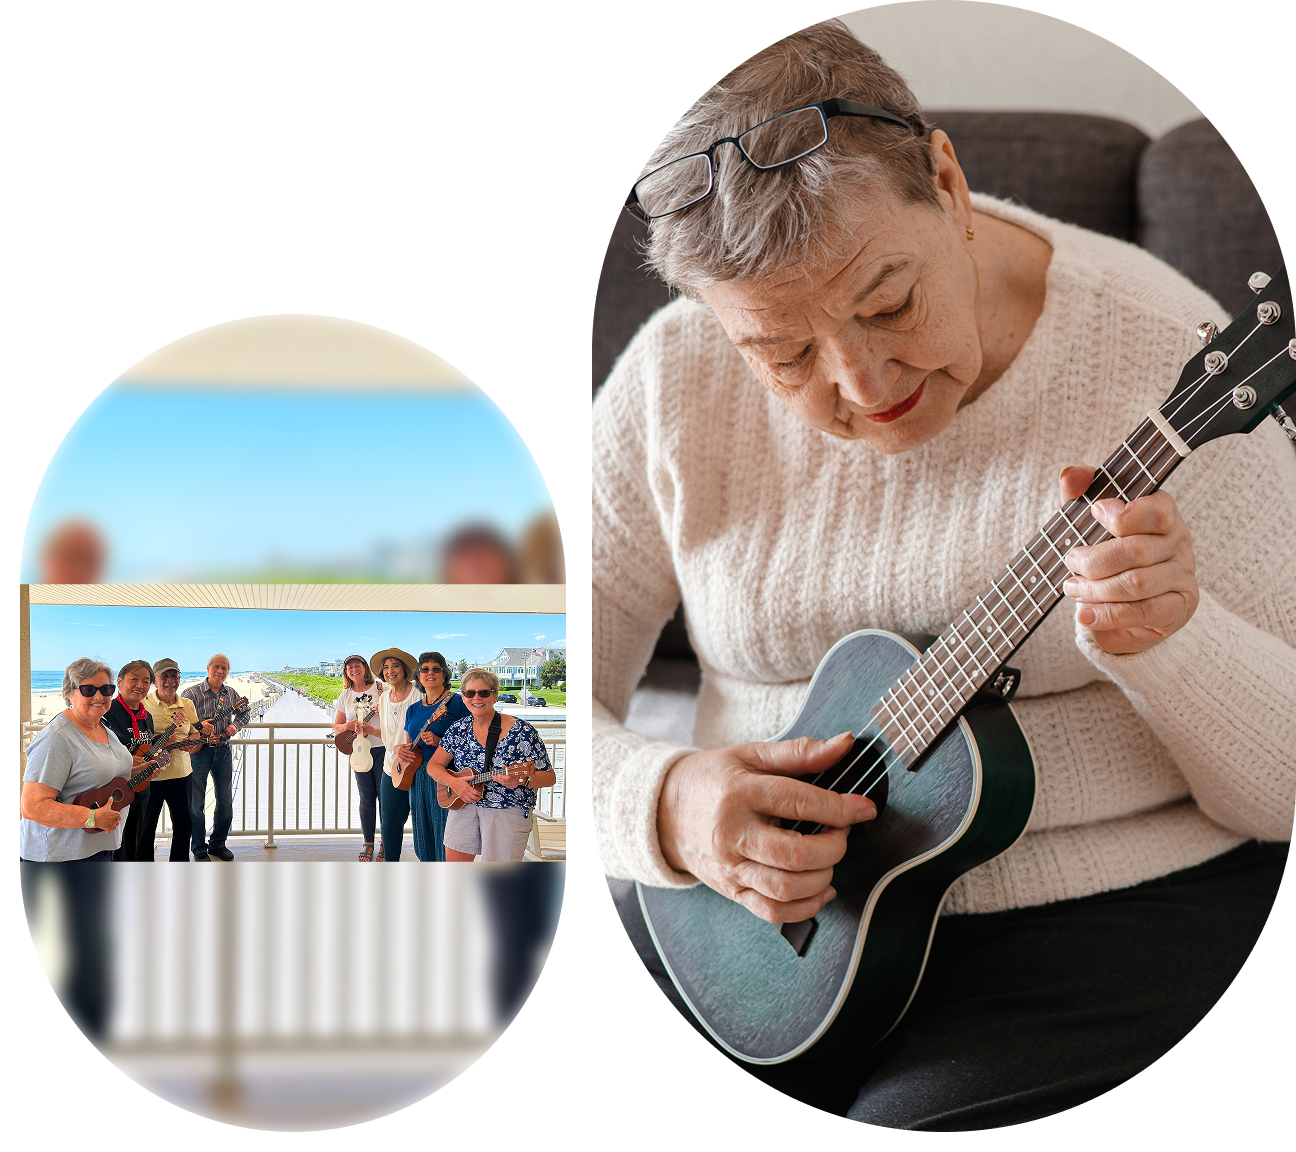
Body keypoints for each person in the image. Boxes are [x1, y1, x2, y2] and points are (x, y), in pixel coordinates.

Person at [593, 21, 1296, 1130]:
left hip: (1099, 931)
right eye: (783, 355)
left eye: (888, 303)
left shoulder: (1170, 359)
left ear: (950, 184)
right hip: (747, 938)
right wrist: (667, 805)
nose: (864, 383)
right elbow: (510, 723)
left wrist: (1177, 637)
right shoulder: (668, 387)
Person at [19, 658, 132, 1039]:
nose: (100, 696)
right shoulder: (58, 738)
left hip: (97, 851)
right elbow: (32, 805)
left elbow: (113, 773)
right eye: (89, 689)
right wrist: (89, 820)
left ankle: (95, 1023)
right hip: (59, 860)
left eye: (107, 689)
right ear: (69, 692)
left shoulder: (104, 729)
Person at [429, 669, 556, 862]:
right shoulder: (458, 729)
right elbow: (434, 765)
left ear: (495, 696)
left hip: (507, 808)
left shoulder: (523, 732)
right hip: (463, 803)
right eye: (470, 693)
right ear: (464, 698)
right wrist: (454, 783)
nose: (477, 698)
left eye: (484, 692)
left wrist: (521, 780)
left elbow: (549, 777)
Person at [395, 651, 470, 861]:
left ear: (445, 675)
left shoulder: (457, 703)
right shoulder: (413, 710)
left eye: (436, 669)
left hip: (446, 774)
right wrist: (399, 750)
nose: (431, 673)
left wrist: (441, 742)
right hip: (417, 774)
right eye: (425, 669)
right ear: (418, 675)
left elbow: (475, 739)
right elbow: (411, 743)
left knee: (445, 829)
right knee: (421, 827)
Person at [183, 653, 250, 862]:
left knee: (225, 801)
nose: (220, 671)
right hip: (199, 752)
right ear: (208, 668)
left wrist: (234, 726)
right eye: (217, 667)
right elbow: (180, 721)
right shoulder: (191, 693)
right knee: (197, 804)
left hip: (223, 749)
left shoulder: (230, 694)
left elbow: (245, 713)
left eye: (225, 668)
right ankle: (198, 848)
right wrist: (198, 726)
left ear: (228, 671)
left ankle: (218, 844)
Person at [368, 647, 427, 861]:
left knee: (422, 821)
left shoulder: (419, 695)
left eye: (395, 666)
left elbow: (425, 730)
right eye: (385, 667)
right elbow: (389, 733)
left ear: (404, 669)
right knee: (389, 823)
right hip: (391, 767)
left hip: (418, 767)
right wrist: (370, 731)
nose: (390, 671)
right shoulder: (383, 699)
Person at [100, 660, 159, 862]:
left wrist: (152, 765)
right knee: (115, 845)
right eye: (134, 678)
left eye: (146, 681)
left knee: (134, 841)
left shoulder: (146, 716)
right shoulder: (107, 711)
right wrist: (125, 758)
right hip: (112, 791)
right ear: (119, 680)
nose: (140, 685)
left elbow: (145, 749)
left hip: (140, 789)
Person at [141, 658, 199, 861]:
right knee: (145, 828)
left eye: (174, 675)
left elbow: (195, 733)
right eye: (164, 676)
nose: (170, 680)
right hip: (150, 777)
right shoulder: (143, 704)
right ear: (154, 680)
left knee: (184, 825)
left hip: (181, 774)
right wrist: (160, 741)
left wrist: (192, 743)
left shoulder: (187, 704)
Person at [332, 654, 384, 861]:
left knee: (385, 797)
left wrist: (385, 709)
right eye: (349, 667)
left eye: (357, 665)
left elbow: (396, 716)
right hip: (359, 750)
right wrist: (347, 726)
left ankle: (386, 841)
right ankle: (368, 842)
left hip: (382, 748)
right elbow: (336, 727)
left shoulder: (380, 688)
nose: (354, 669)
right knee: (366, 797)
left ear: (364, 668)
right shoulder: (345, 695)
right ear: (345, 672)